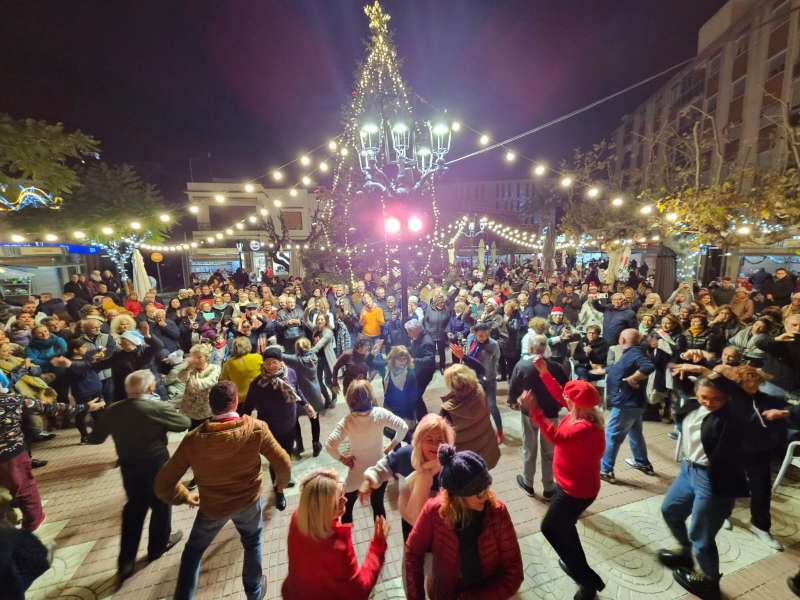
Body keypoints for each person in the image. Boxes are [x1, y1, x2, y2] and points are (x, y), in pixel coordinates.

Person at [155, 380, 292, 600]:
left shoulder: (193, 440)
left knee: (192, 553)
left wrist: (184, 496)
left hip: (212, 506)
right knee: (252, 541)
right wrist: (280, 484)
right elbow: (283, 462)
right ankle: (254, 592)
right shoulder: (256, 428)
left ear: (211, 406)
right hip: (248, 501)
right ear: (236, 402)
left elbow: (162, 485)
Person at [88, 370, 190, 589]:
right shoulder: (155, 407)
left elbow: (96, 438)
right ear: (151, 388)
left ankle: (125, 562)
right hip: (156, 463)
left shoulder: (114, 409)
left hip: (128, 465)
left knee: (134, 508)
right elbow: (183, 423)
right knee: (161, 504)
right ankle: (157, 548)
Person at [519, 361, 607, 599]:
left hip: (575, 492)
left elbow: (555, 436)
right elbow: (561, 394)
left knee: (549, 528)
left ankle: (586, 581)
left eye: (569, 399)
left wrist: (533, 409)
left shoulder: (582, 428)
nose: (564, 400)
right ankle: (576, 563)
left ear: (575, 404)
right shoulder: (582, 413)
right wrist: (545, 373)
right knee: (564, 527)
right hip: (570, 486)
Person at [657, 376, 749, 599]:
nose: (709, 402)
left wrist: (705, 369)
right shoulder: (693, 406)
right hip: (688, 470)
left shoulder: (731, 416)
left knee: (702, 537)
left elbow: (742, 397)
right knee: (670, 510)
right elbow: (680, 380)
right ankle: (685, 553)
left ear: (726, 397)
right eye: (704, 397)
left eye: (716, 399)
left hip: (713, 479)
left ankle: (710, 582)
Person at [404, 444, 523, 599]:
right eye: (479, 493)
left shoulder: (497, 513)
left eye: (487, 488)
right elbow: (413, 554)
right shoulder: (434, 511)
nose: (487, 496)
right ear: (458, 497)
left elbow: (514, 572)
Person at [282, 469, 389, 600]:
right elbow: (359, 591)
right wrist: (377, 547)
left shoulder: (298, 518)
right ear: (325, 509)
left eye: (342, 492)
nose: (345, 499)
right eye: (338, 500)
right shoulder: (338, 545)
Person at [325, 380, 408, 523]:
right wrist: (390, 447)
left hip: (357, 473)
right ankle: (380, 538)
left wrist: (343, 459)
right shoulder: (380, 413)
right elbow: (403, 427)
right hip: (379, 469)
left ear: (349, 400)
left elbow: (329, 445)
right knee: (378, 504)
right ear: (370, 397)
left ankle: (346, 541)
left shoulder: (347, 422)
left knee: (347, 506)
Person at [240, 346, 313, 510]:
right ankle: (278, 491)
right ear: (263, 364)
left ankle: (285, 475)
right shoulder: (258, 383)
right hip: (270, 428)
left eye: (274, 362)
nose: (271, 365)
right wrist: (241, 422)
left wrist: (306, 405)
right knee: (274, 460)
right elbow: (248, 406)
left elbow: (297, 391)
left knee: (286, 454)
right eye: (267, 363)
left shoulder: (291, 373)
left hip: (290, 423)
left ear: (281, 362)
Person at [361, 413, 455, 539]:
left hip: (439, 522)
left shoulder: (450, 464)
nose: (434, 445)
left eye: (440, 440)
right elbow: (385, 465)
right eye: (429, 439)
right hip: (409, 517)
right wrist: (369, 480)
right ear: (419, 440)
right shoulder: (408, 455)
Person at [508, 334, 568, 499]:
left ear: (530, 348)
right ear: (545, 348)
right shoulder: (556, 366)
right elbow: (564, 387)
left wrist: (512, 401)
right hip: (551, 412)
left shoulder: (522, 365)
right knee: (549, 451)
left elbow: (513, 385)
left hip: (529, 412)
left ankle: (528, 483)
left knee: (529, 447)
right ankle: (549, 487)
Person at [595, 329, 655, 482]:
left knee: (612, 435)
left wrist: (633, 379)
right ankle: (642, 463)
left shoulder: (635, 353)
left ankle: (606, 470)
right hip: (633, 403)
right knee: (635, 432)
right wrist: (606, 370)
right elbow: (623, 367)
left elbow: (648, 367)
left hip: (626, 403)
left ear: (622, 340)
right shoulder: (633, 352)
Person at [439, 364, 500, 469]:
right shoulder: (480, 391)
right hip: (487, 451)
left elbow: (443, 439)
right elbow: (481, 368)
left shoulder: (448, 410)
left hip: (466, 461)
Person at [450, 321, 503, 442]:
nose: (482, 338)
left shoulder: (493, 345)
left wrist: (464, 357)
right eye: (479, 335)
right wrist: (464, 359)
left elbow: (483, 365)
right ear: (475, 333)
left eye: (485, 335)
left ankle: (500, 432)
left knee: (492, 405)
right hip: (475, 378)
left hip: (488, 378)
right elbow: (469, 356)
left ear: (488, 333)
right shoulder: (472, 340)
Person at [281, 338, 323, 457]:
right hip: (315, 394)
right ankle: (316, 445)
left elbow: (280, 355)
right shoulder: (314, 357)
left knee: (295, 420)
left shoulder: (297, 360)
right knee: (314, 419)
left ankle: (299, 446)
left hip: (301, 395)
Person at [176, 344, 221, 430]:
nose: (196, 360)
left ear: (206, 357)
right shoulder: (190, 368)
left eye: (199, 357)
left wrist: (194, 383)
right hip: (190, 409)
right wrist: (187, 366)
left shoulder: (215, 368)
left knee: (205, 434)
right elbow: (181, 378)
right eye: (194, 357)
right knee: (191, 434)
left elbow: (211, 381)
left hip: (205, 409)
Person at [405, 319, 437, 418]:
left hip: (425, 373)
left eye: (409, 332)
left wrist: (414, 360)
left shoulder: (426, 341)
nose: (408, 334)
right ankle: (419, 415)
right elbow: (415, 349)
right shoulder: (418, 337)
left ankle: (423, 418)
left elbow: (429, 359)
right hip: (419, 371)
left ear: (416, 330)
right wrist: (405, 350)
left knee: (416, 396)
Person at [219, 337, 263, 402]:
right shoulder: (258, 357)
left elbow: (222, 382)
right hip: (257, 398)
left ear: (234, 348)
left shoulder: (229, 363)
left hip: (238, 400)